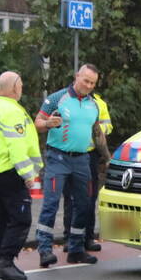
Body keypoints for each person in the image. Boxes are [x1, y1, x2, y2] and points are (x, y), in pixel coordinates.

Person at [0, 71, 42, 280]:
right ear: (14, 88)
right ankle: (5, 262)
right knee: (21, 218)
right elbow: (17, 145)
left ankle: (3, 261)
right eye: (20, 85)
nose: (21, 89)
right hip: (10, 171)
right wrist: (28, 173)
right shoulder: (12, 112)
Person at [34, 64, 101, 267]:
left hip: (82, 160)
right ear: (76, 77)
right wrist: (47, 124)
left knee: (84, 204)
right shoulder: (57, 99)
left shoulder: (93, 105)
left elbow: (97, 132)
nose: (88, 86)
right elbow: (37, 122)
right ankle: (44, 250)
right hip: (58, 158)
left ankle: (76, 249)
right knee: (51, 204)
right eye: (86, 80)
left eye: (93, 83)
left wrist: (108, 157)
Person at [61, 92, 112, 251]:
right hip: (70, 152)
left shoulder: (99, 103)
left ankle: (88, 238)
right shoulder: (66, 99)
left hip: (90, 154)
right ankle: (69, 238)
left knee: (89, 197)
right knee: (70, 197)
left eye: (91, 82)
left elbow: (108, 126)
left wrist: (93, 126)